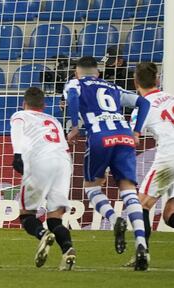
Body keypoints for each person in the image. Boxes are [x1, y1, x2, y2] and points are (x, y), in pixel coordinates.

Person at [65, 56, 151, 271]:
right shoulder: (113, 87)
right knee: (128, 189)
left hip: (99, 135)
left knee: (92, 186)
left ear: (77, 72)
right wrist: (137, 130)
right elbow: (144, 101)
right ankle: (141, 245)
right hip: (124, 136)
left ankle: (114, 220)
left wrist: (75, 126)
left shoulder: (76, 83)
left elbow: (73, 97)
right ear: (98, 73)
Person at [10, 87, 76, 271]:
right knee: (55, 217)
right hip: (63, 163)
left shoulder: (21, 115)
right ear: (43, 105)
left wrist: (17, 155)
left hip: (40, 161)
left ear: (24, 103)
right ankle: (68, 248)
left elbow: (17, 132)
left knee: (26, 214)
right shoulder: (53, 119)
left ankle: (43, 234)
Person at [123, 62, 174, 267]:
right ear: (157, 80)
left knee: (140, 205)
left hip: (169, 156)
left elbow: (131, 138)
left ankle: (141, 255)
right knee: (170, 214)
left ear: (136, 83)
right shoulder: (170, 97)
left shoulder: (142, 106)